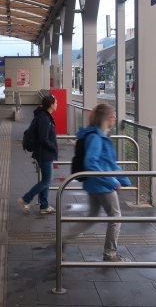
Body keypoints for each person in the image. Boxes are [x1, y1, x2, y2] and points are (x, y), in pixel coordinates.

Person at [71, 103, 132, 262]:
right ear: (106, 119)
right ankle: (110, 254)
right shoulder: (96, 137)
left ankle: (63, 239)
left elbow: (109, 163)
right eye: (113, 116)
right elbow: (92, 163)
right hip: (101, 185)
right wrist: (112, 182)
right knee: (116, 216)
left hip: (96, 183)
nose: (115, 119)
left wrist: (123, 178)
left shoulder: (101, 136)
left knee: (92, 216)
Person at [17, 94, 58, 214]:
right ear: (51, 104)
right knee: (46, 180)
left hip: (45, 153)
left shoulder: (45, 116)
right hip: (44, 153)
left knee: (46, 179)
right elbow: (43, 138)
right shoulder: (44, 118)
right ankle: (25, 199)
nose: (57, 105)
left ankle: (44, 206)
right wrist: (53, 147)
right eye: (56, 103)